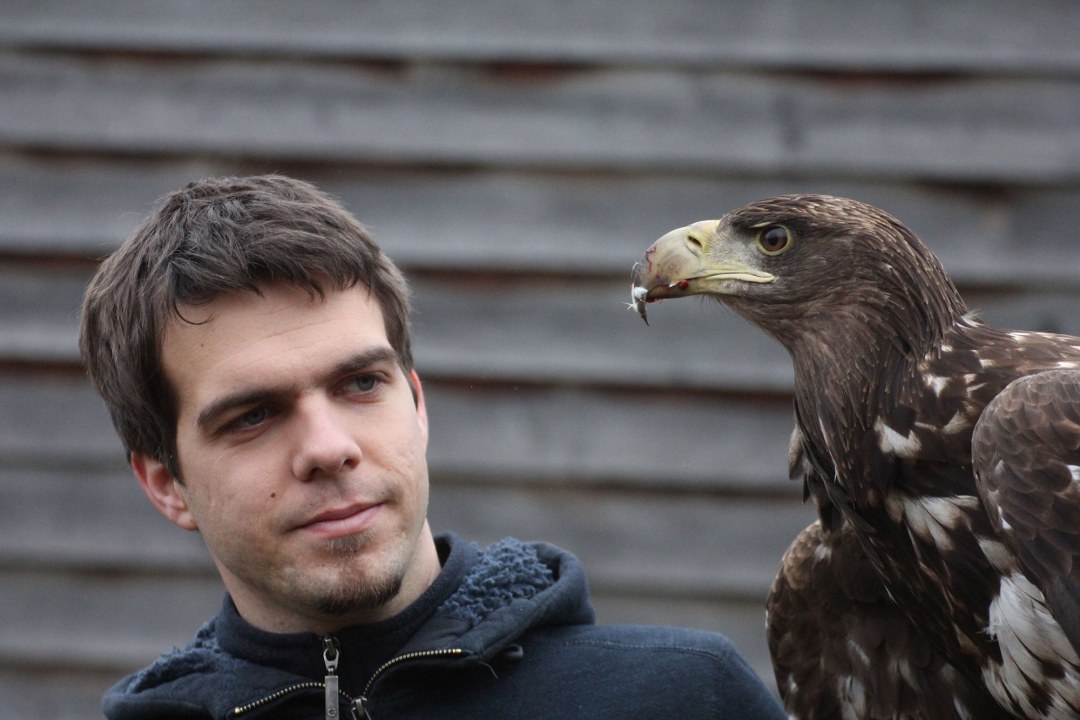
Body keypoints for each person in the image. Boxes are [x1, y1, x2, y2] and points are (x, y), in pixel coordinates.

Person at [80, 174, 786, 719]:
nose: (328, 449)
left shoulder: (680, 697)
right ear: (164, 483)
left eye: (360, 384)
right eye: (252, 417)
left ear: (417, 405)